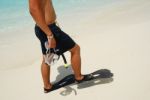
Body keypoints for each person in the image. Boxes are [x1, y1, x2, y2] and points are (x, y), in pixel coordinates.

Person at [29, 0, 89, 93]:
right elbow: (33, 10)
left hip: (45, 28)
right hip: (49, 30)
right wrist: (49, 34)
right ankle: (79, 77)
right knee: (75, 49)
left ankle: (47, 86)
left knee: (47, 57)